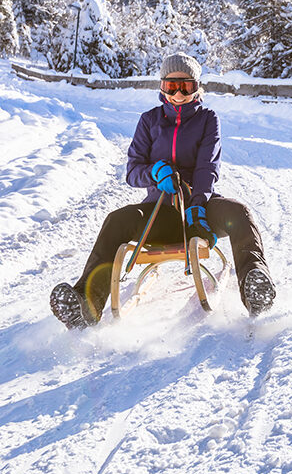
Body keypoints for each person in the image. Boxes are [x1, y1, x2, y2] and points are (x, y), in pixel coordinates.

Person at [50, 52, 276, 329]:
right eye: (172, 86)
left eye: (186, 86)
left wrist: (197, 206)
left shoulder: (208, 119)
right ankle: (86, 303)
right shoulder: (149, 121)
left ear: (197, 87)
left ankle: (255, 284)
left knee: (239, 212)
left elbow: (208, 168)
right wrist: (155, 173)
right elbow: (132, 172)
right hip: (161, 212)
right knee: (116, 220)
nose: (179, 94)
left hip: (200, 211)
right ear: (162, 87)